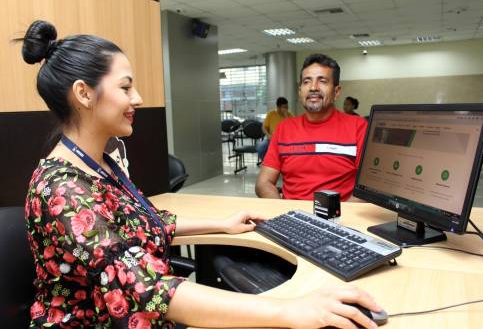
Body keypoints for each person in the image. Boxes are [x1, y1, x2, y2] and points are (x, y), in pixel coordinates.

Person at [20, 21, 381, 329]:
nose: (139, 98)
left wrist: (221, 224)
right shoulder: (62, 189)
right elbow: (149, 290)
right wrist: (290, 309)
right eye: (126, 87)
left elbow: (145, 223)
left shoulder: (100, 164)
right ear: (84, 93)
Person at [256, 54, 368, 201]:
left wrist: (341, 219)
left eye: (322, 81)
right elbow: (264, 183)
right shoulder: (284, 128)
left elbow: (368, 188)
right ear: (300, 90)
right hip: (292, 218)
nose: (313, 88)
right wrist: (282, 215)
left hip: (338, 219)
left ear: (336, 91)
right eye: (306, 82)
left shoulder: (358, 127)